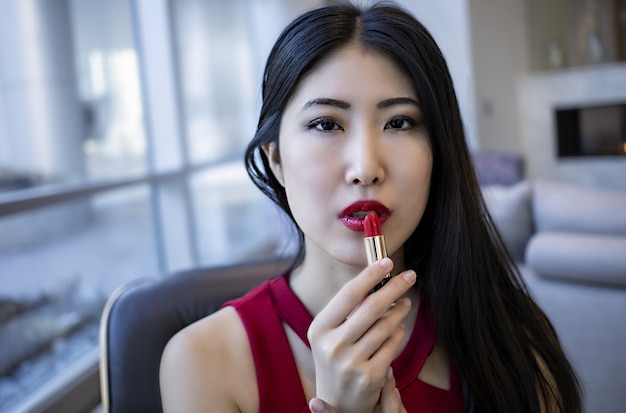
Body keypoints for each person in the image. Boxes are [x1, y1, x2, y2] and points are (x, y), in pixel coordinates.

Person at [160, 1, 582, 412]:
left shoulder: (510, 338)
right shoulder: (202, 363)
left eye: (399, 123)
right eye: (326, 124)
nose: (366, 168)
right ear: (275, 158)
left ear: (439, 151)